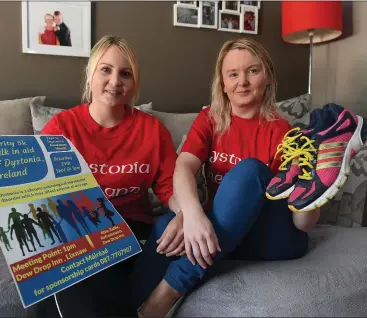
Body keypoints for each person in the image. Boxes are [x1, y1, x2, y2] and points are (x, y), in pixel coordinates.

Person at [132, 38, 321, 317]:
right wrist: (192, 215)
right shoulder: (210, 118)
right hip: (230, 232)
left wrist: (315, 185)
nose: (242, 81)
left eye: (252, 71)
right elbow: (184, 166)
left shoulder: (282, 131)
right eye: (233, 74)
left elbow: (303, 224)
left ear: (267, 76)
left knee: (250, 171)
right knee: (166, 228)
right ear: (222, 83)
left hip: (275, 237)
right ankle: (125, 308)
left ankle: (167, 293)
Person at [41, 35, 180, 316]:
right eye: (106, 69)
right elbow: (43, 192)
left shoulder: (152, 131)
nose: (115, 81)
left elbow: (170, 189)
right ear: (90, 74)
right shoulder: (62, 127)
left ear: (135, 83)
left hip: (133, 233)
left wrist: (185, 214)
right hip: (79, 231)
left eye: (125, 74)